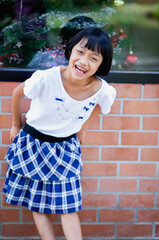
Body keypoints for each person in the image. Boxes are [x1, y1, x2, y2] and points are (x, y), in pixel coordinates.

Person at [3, 27, 116, 240]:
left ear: (102, 63)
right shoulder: (46, 78)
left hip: (65, 147)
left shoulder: (103, 89)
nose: (84, 61)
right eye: (80, 52)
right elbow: (18, 93)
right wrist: (15, 125)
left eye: (94, 58)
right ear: (71, 51)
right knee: (38, 203)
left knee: (69, 206)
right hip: (33, 143)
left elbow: (102, 105)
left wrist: (82, 128)